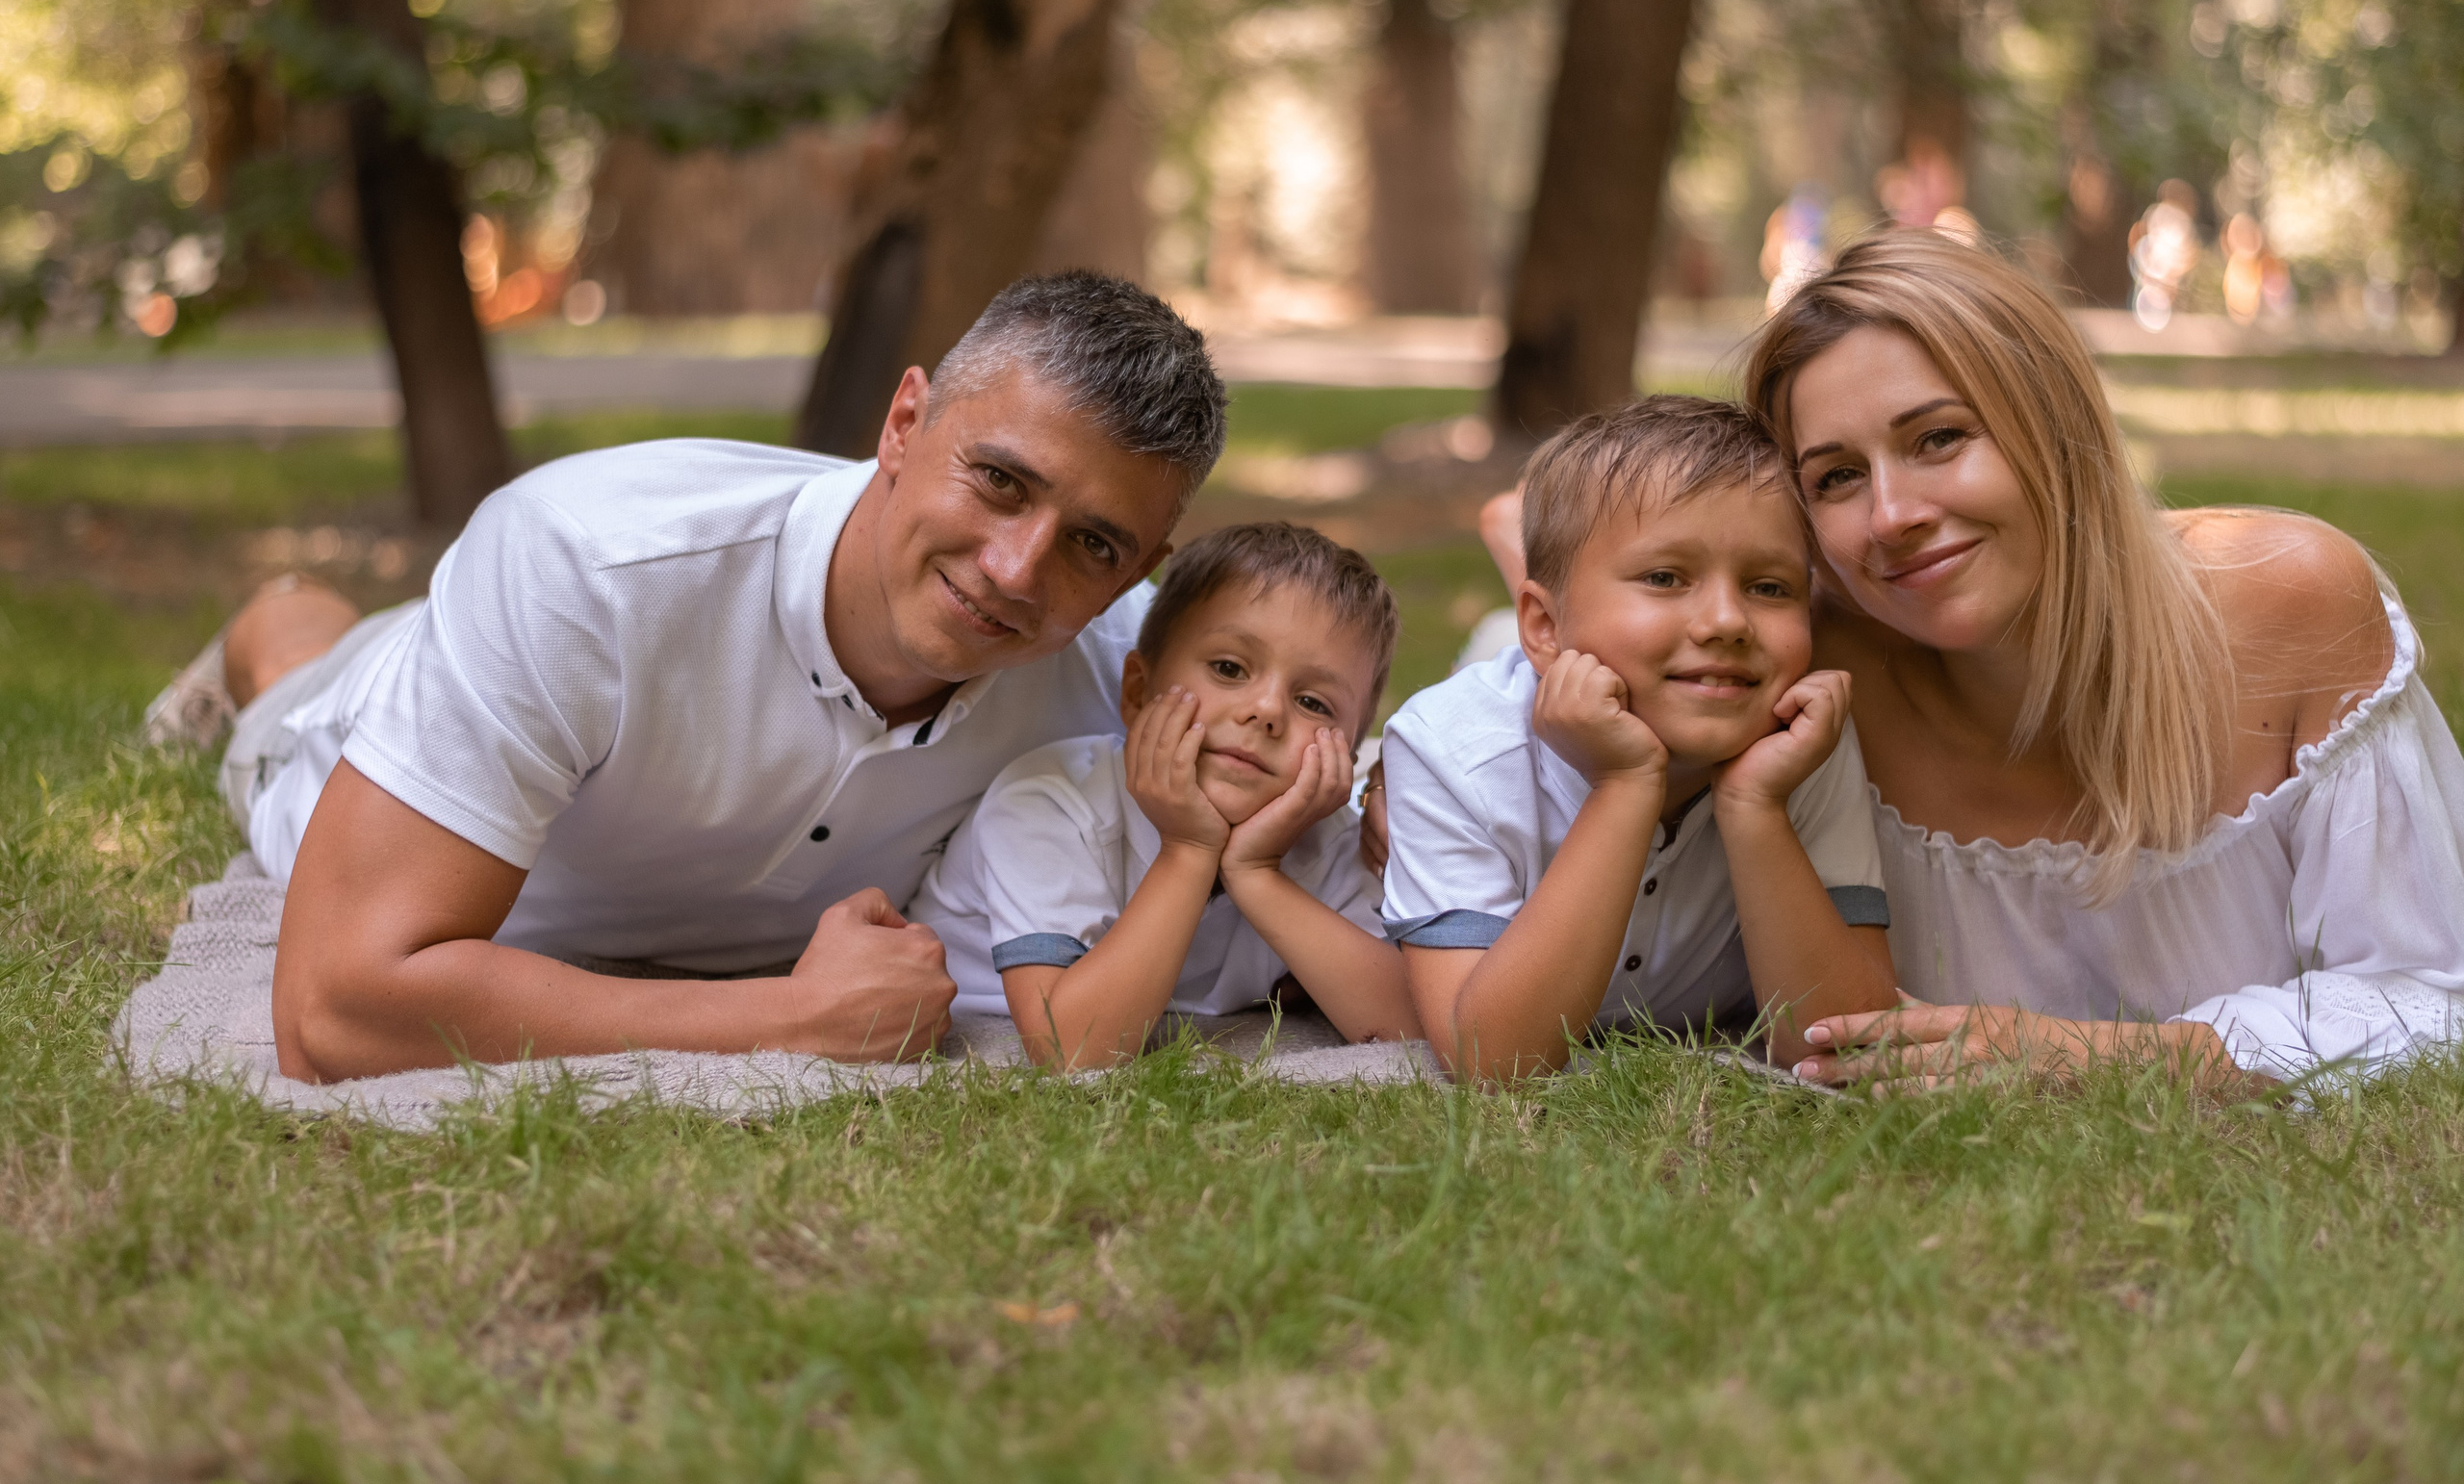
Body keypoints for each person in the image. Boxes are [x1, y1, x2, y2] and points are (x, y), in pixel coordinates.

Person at [184, 272, 1229, 1084]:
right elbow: (330, 1010)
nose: (1016, 570)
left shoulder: (1125, 678)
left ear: (1139, 570)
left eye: (1093, 544)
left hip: (547, 664)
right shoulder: (585, 564)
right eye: (998, 481)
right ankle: (276, 623)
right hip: (350, 725)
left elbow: (1331, 770)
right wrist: (786, 1018)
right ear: (903, 423)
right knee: (300, 662)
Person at [1742, 227, 2464, 1090]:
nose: (1893, 514)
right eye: (1836, 477)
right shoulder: (1815, 668)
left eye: (1938, 438)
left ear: (2054, 422)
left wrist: (2086, 1057)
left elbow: (2430, 998)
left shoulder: (2288, 600)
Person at [1379, 397, 1900, 1083]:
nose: (1726, 620)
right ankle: (1515, 562)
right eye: (1665, 577)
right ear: (1541, 624)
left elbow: (1843, 1042)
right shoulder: (1446, 747)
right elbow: (1493, 1061)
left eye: (1769, 586)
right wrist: (1624, 784)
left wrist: (1754, 806)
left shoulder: (1803, 741)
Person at [911, 523, 1416, 1069]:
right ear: (1137, 692)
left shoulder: (1330, 837)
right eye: (1229, 669)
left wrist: (1257, 872)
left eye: (1314, 703)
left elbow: (1414, 1029)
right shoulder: (1051, 803)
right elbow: (1073, 1050)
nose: (1266, 711)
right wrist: (1189, 850)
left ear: (1348, 749)